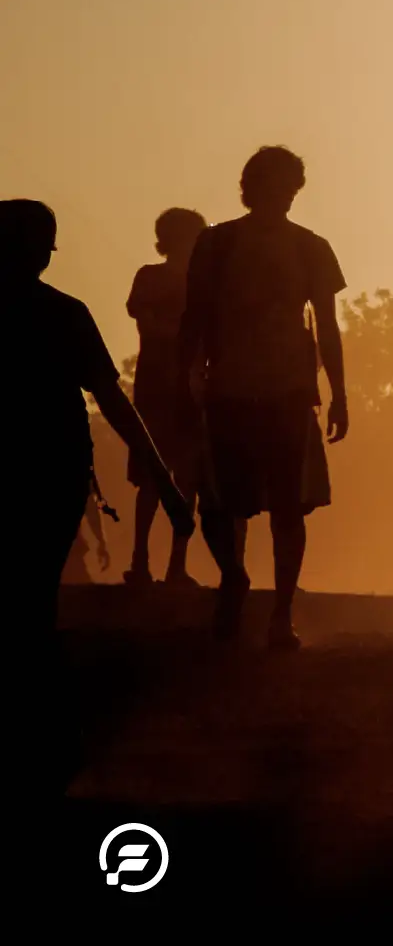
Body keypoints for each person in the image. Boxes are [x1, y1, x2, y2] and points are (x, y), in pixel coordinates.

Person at [177, 147, 349, 651]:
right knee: (219, 501)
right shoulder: (217, 243)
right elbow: (195, 316)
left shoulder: (311, 248)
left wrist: (339, 394)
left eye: (291, 187)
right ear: (252, 188)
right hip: (228, 387)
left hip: (289, 390)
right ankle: (234, 576)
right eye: (276, 186)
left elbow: (329, 325)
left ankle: (281, 613)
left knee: (287, 504)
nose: (285, 196)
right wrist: (184, 377)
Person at [5, 199, 193, 645]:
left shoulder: (67, 313)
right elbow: (111, 400)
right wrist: (165, 481)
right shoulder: (65, 313)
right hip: (54, 468)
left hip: (53, 468)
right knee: (35, 590)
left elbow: (112, 400)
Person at [124, 208, 209, 588]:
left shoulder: (203, 283)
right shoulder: (152, 277)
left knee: (187, 478)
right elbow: (150, 327)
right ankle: (140, 561)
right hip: (160, 386)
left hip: (188, 387)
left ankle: (176, 565)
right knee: (154, 476)